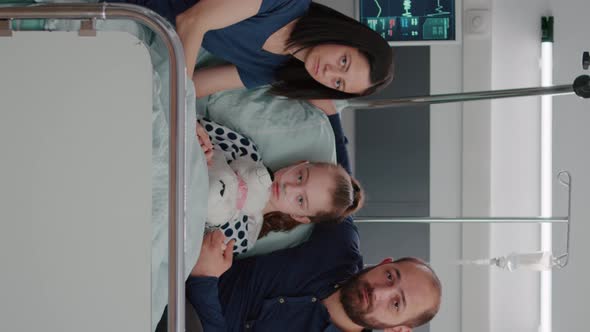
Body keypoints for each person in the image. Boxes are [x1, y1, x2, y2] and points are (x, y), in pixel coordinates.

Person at [183, 114, 442, 331]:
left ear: (397, 330)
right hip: (179, 262)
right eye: (389, 276)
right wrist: (330, 112)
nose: (380, 292)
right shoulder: (340, 250)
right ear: (385, 263)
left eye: (396, 303)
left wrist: (203, 280)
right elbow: (339, 191)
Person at [108, 0, 394, 113]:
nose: (329, 72)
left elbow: (197, 85)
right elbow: (192, 21)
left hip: (134, 15)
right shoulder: (288, 3)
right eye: (343, 61)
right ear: (346, 37)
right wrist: (178, 108)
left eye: (338, 83)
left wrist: (190, 128)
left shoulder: (275, 69)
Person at [196, 118, 364, 255]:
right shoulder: (245, 150)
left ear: (300, 217)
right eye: (300, 177)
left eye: (300, 200)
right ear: (299, 163)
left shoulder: (242, 236)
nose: (289, 188)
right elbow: (190, 122)